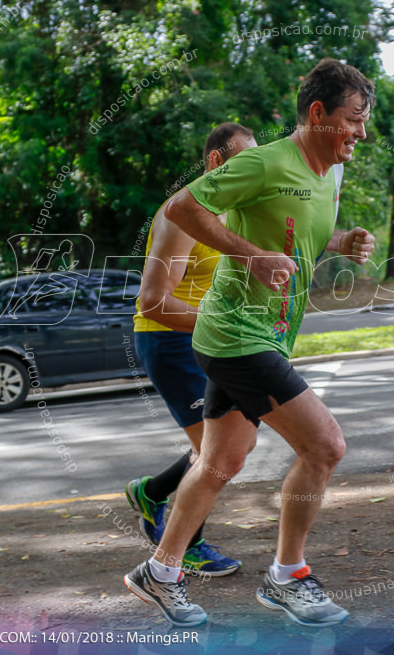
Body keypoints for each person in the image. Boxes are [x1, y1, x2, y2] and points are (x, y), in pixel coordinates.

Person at [124, 58, 376, 628]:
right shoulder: (265, 162)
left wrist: (342, 241)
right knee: (326, 446)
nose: (360, 132)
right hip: (236, 334)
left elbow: (291, 232)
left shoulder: (326, 175)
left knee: (220, 461)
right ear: (318, 113)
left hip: (269, 334)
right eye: (354, 119)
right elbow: (181, 207)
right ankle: (289, 576)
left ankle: (159, 571)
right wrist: (250, 256)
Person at [125, 123, 257, 578]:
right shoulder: (181, 213)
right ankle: (186, 548)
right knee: (215, 457)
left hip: (209, 338)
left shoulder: (225, 215)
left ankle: (153, 492)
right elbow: (154, 300)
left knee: (237, 445)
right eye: (244, 162)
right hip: (170, 339)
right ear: (216, 162)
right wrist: (223, 322)